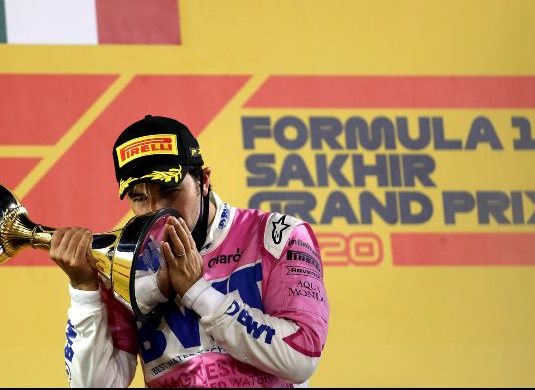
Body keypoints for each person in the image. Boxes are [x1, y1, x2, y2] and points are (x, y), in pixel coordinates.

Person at [50, 115, 329, 388]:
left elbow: (301, 357)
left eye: (169, 191)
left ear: (203, 180)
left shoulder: (277, 236)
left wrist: (198, 293)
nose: (154, 210)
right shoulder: (125, 264)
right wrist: (84, 291)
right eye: (139, 197)